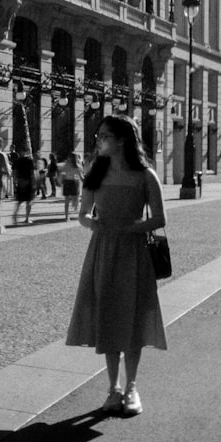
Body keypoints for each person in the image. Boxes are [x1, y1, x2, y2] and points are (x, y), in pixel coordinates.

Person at [65, 114, 167, 416]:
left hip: (133, 251)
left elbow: (160, 219)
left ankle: (132, 386)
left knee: (133, 318)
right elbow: (83, 213)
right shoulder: (95, 172)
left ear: (121, 139)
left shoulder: (146, 175)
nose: (99, 140)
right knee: (109, 316)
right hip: (104, 250)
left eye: (104, 135)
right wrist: (92, 223)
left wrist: (129, 228)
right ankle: (113, 388)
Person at [12, 149, 36, 225]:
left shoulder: (17, 161)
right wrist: (35, 182)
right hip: (29, 181)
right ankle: (27, 218)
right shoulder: (30, 160)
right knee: (29, 201)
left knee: (19, 201)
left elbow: (15, 172)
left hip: (20, 181)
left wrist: (15, 182)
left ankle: (15, 216)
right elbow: (33, 172)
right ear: (27, 152)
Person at [59, 152, 83, 220]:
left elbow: (62, 175)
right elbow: (81, 177)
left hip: (67, 182)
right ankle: (75, 212)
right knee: (75, 199)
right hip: (74, 182)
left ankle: (66, 217)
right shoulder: (78, 166)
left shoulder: (66, 165)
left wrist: (61, 182)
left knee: (67, 201)